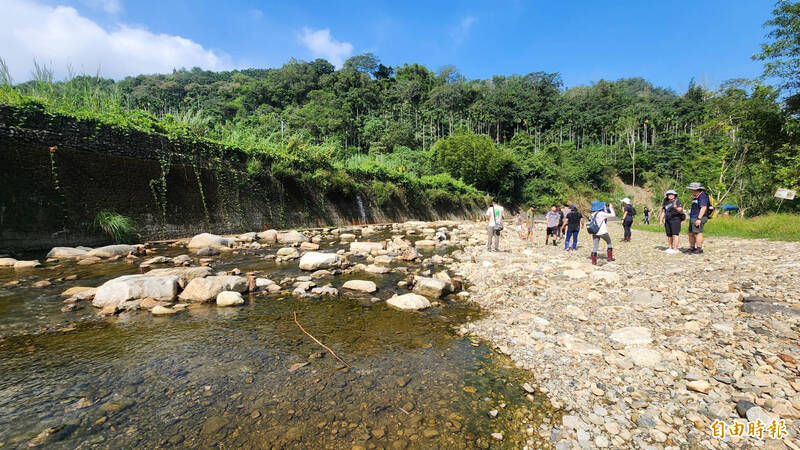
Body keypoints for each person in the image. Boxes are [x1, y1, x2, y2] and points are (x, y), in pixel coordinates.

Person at [588, 201, 616, 265]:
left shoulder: (593, 214)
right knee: (609, 243)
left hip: (595, 232)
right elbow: (613, 215)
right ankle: (609, 257)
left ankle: (594, 261)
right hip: (603, 232)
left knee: (595, 246)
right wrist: (611, 208)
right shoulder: (601, 213)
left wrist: (605, 209)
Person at [686, 182, 711, 254]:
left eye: (691, 189)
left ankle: (699, 248)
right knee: (690, 233)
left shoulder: (703, 196)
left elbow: (703, 207)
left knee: (698, 233)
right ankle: (692, 247)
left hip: (699, 217)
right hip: (693, 217)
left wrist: (699, 219)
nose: (690, 190)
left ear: (696, 189)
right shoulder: (695, 196)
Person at [658, 190, 683, 254]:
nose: (670, 196)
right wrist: (660, 220)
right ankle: (670, 247)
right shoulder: (666, 202)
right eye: (669, 195)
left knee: (675, 234)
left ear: (675, 195)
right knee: (669, 234)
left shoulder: (677, 201)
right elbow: (663, 212)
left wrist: (676, 208)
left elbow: (680, 210)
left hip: (675, 219)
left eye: (672, 194)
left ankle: (675, 248)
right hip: (667, 220)